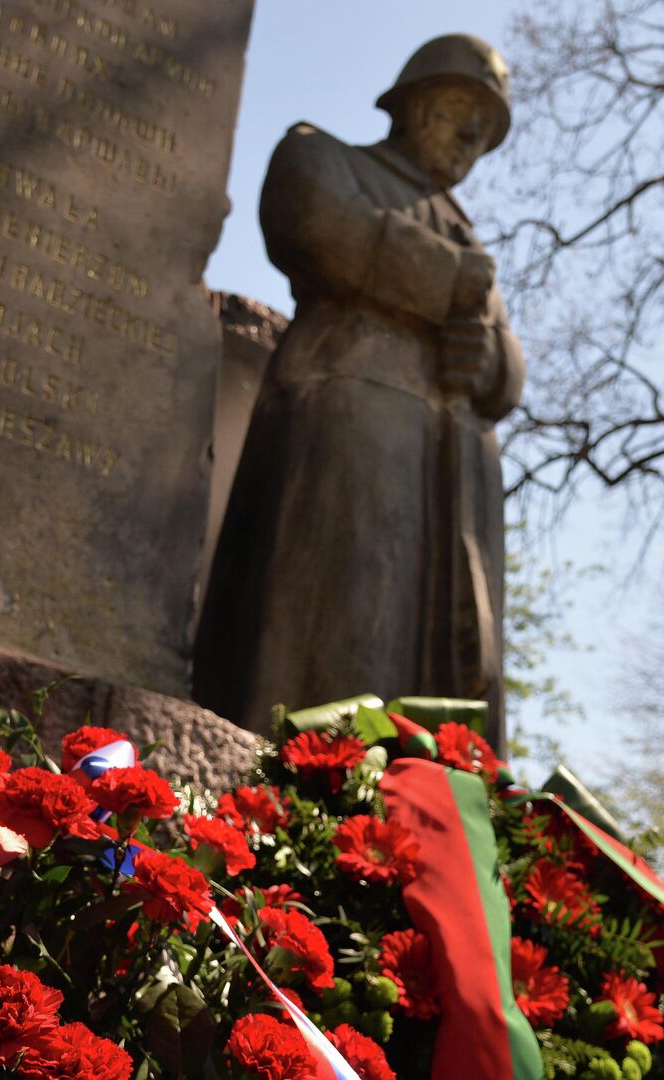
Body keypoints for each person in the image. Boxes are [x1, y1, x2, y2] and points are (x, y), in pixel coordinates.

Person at [195, 34, 524, 750]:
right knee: (345, 627)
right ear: (411, 106)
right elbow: (311, 221)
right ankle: (307, 810)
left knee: (457, 668)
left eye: (487, 127)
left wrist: (488, 359)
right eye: (461, 109)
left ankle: (435, 827)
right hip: (354, 420)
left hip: (458, 471)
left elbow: (509, 370)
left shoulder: (467, 232)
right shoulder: (324, 155)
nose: (473, 136)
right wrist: (445, 282)